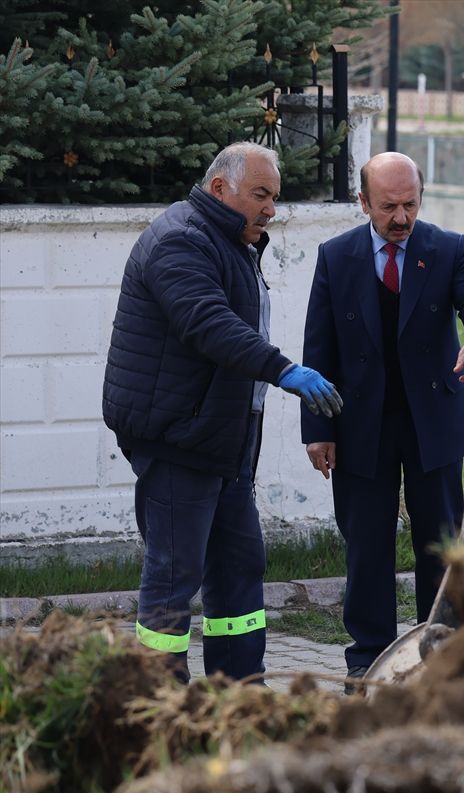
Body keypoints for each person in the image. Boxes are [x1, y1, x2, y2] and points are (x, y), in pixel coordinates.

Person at [102, 141, 343, 683]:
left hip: (225, 445)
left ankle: (240, 696)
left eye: (274, 198)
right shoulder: (180, 239)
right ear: (220, 189)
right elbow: (208, 323)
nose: (271, 209)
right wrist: (284, 370)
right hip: (180, 443)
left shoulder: (230, 240)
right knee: (173, 577)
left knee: (238, 571)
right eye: (260, 194)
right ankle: (160, 707)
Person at [300, 152, 464, 689]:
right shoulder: (335, 256)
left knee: (440, 540)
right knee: (367, 546)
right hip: (360, 424)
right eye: (388, 206)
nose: (401, 217)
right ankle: (367, 660)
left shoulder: (448, 249)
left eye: (410, 204)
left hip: (432, 420)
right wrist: (318, 429)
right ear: (362, 202)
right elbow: (318, 347)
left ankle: (442, 653)